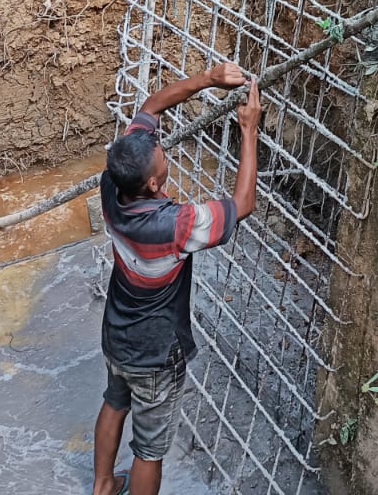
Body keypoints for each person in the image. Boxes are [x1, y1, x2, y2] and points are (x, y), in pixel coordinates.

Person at [92, 62, 261, 495]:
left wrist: (208, 78)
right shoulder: (172, 226)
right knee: (150, 448)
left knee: (114, 401)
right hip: (154, 351)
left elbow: (151, 106)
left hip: (117, 334)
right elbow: (242, 204)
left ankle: (103, 485)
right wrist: (249, 128)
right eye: (161, 157)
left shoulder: (114, 184)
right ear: (152, 183)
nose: (162, 150)